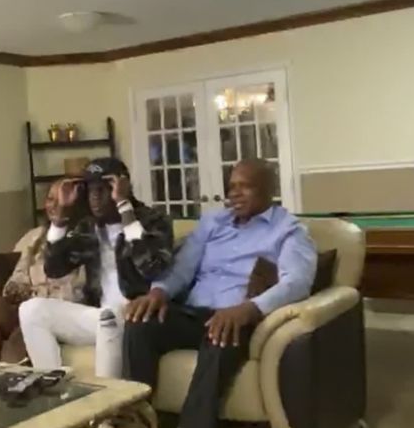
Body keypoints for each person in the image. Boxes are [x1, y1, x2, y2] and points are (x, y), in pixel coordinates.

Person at [123, 159, 317, 428]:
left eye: (245, 186)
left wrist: (249, 308)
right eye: (232, 186)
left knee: (221, 333)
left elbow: (297, 282)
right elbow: (183, 268)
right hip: (193, 314)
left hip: (237, 318)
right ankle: (135, 421)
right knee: (140, 323)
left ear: (268, 189)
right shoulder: (213, 222)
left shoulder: (288, 230)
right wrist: (159, 292)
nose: (234, 193)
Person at [19, 157, 173, 378]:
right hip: (99, 316)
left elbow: (152, 267)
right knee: (30, 310)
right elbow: (54, 268)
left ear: (122, 188)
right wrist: (61, 218)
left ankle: (103, 408)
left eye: (103, 188)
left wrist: (124, 209)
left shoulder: (153, 220)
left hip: (135, 318)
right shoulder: (88, 226)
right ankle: (55, 391)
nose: (95, 197)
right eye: (90, 189)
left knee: (108, 318)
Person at [0, 179, 87, 363]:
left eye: (61, 200)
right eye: (50, 199)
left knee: (23, 330)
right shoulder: (36, 237)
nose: (54, 205)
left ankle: (7, 385)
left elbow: (77, 293)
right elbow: (14, 282)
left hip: (53, 315)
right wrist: (21, 292)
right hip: (23, 306)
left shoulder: (83, 240)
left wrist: (37, 298)